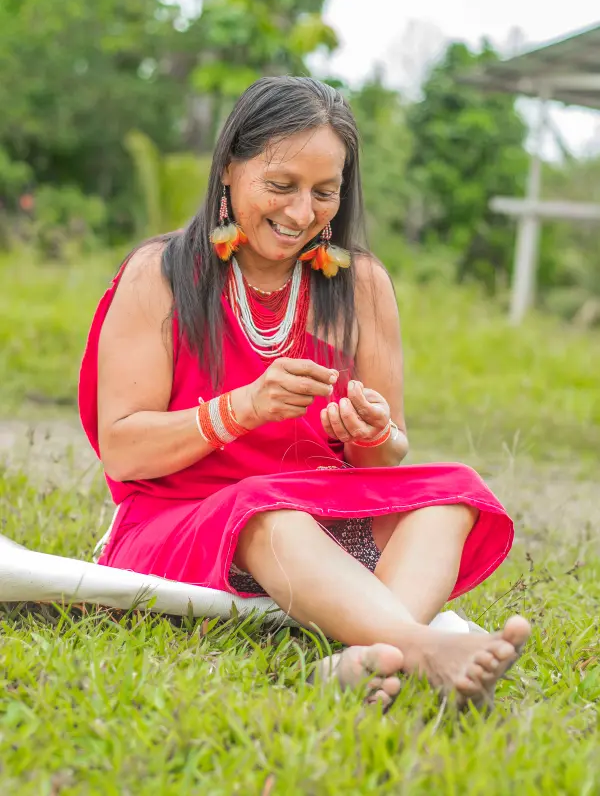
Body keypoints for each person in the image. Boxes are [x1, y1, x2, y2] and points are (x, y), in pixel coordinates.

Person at [79, 76, 530, 710]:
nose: (300, 214)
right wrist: (243, 409)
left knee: (452, 496)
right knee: (267, 509)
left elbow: (384, 459)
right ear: (229, 167)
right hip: (187, 520)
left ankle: (357, 661)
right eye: (280, 185)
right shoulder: (161, 273)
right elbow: (124, 452)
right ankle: (417, 647)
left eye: (323, 193)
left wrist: (373, 434)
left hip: (321, 520)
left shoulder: (361, 284)